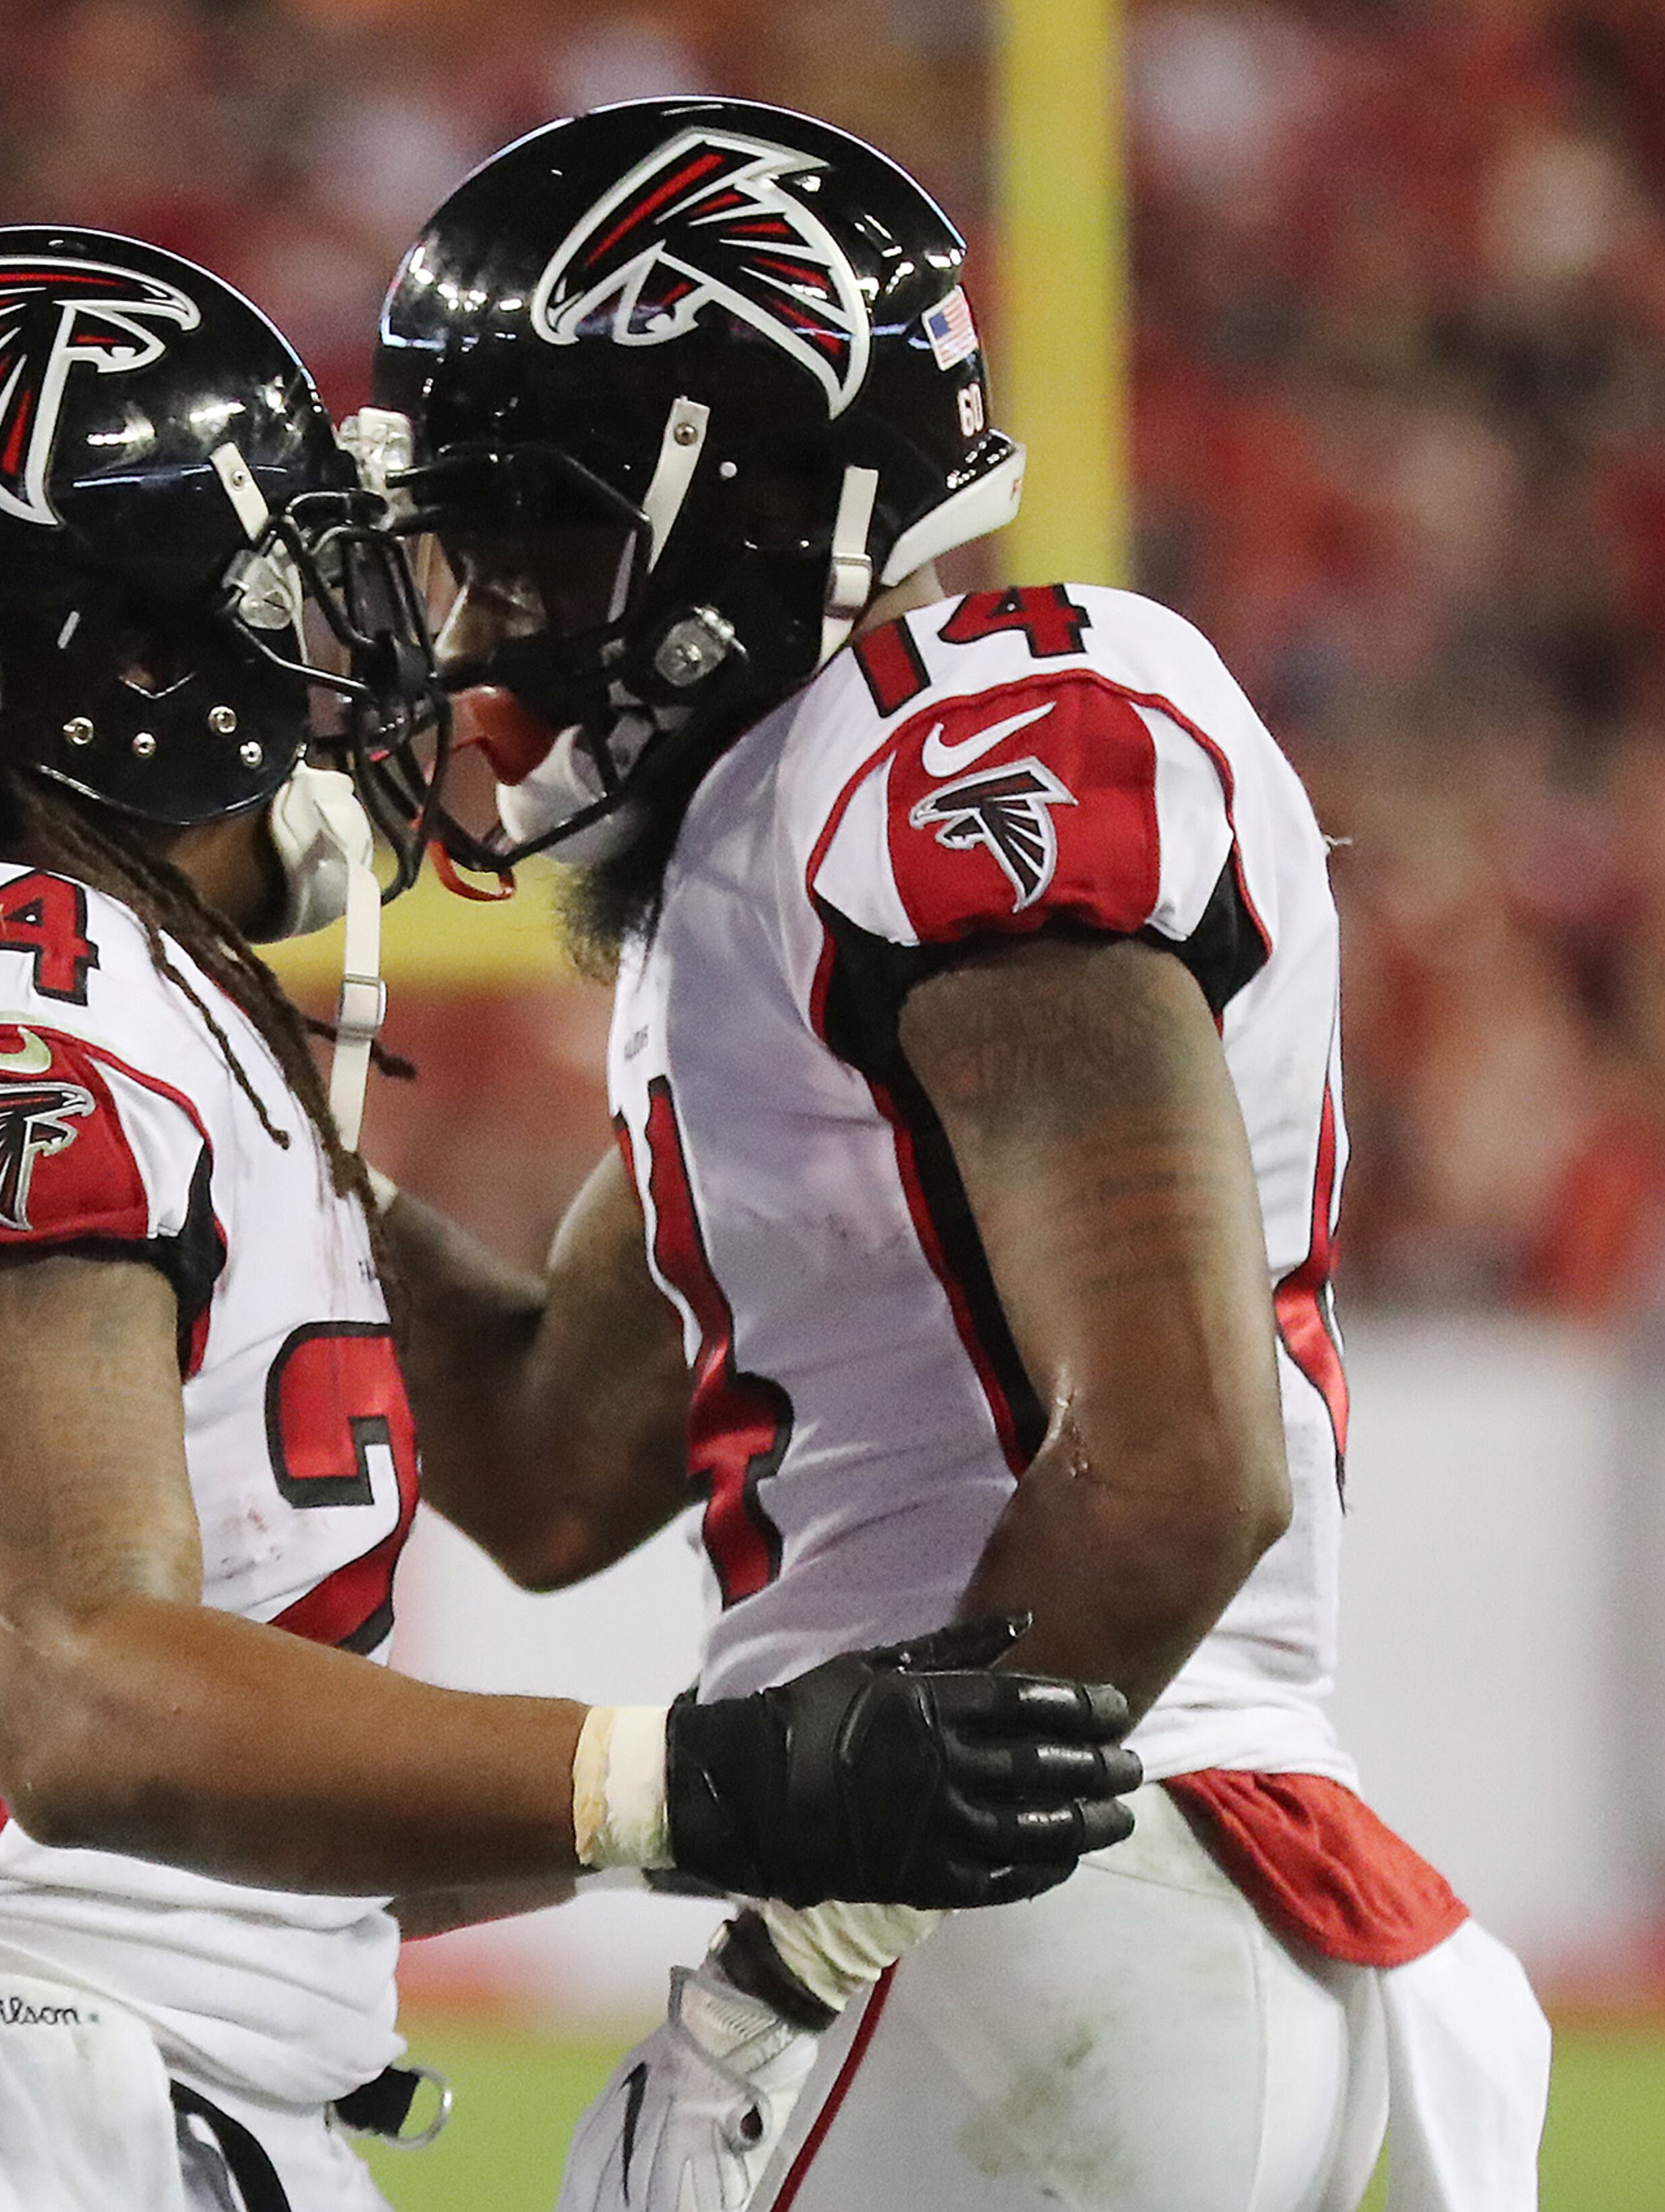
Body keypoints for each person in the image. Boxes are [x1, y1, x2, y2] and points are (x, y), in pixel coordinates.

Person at [0, 226, 1141, 2212]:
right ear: (120, 646)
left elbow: (293, 1768)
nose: (351, 638)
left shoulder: (78, 979)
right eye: (284, 579)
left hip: (83, 2067)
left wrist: (734, 1794)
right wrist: (708, 1774)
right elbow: (86, 1694)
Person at [357, 99, 1555, 2212]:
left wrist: (833, 1912)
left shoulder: (959, 740)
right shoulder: (783, 826)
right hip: (1085, 1885)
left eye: (536, 531)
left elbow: (1179, 1456)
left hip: (1056, 1875)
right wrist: (283, 1156)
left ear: (741, 498)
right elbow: (552, 1456)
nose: (490, 610)